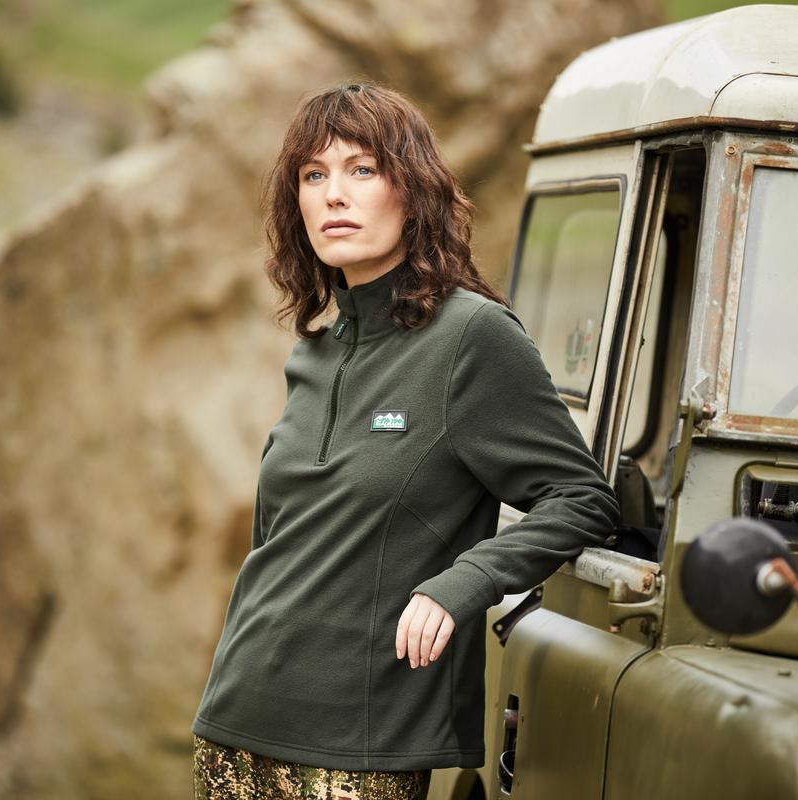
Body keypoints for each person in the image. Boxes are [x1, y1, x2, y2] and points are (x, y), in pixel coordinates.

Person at [191, 82, 620, 799]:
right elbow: (281, 543)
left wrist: (463, 584)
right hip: (234, 726)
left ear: (412, 190)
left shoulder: (473, 337)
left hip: (358, 752)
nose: (334, 194)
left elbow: (582, 500)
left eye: (362, 169)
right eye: (313, 175)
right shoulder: (315, 351)